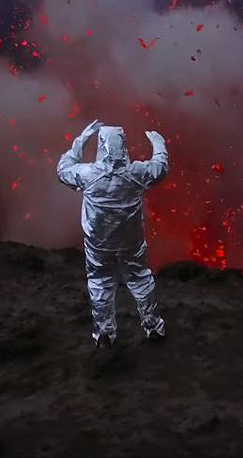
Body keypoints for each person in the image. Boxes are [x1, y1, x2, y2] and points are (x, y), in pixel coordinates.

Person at [57, 120, 169, 347]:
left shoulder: (87, 175)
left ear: (101, 146)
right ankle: (153, 326)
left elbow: (63, 170)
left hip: (98, 244)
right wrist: (158, 143)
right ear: (123, 146)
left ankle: (105, 334)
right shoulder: (137, 173)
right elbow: (160, 167)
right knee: (140, 280)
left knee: (100, 282)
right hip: (131, 242)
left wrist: (80, 142)